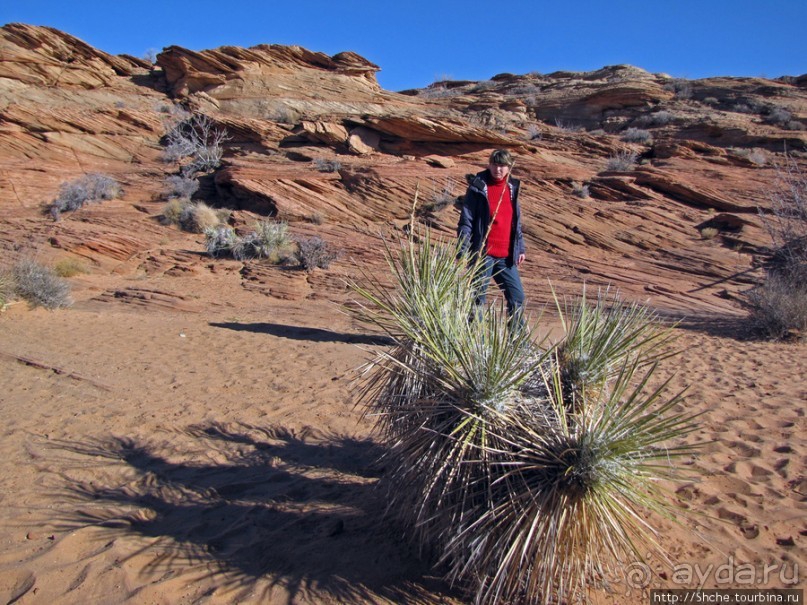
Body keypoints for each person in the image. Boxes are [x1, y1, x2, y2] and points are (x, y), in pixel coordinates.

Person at [457, 149, 526, 324]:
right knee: (477, 299)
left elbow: (514, 220)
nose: (498, 169)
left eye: (502, 165)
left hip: (506, 255)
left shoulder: (512, 187)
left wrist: (520, 248)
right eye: (495, 164)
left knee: (517, 297)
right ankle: (476, 342)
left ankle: (516, 342)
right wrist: (462, 250)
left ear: (509, 167)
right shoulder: (479, 187)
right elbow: (467, 221)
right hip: (483, 254)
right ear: (489, 164)